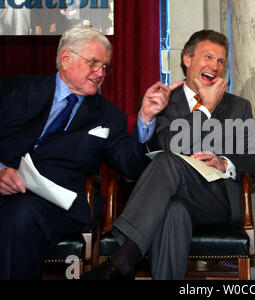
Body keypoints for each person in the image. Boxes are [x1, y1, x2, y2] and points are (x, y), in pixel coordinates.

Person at [0, 25, 181, 280]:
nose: (100, 73)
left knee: (20, 216)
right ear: (65, 58)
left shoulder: (109, 116)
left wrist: (145, 117)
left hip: (59, 204)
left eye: (105, 67)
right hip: (6, 192)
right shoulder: (14, 91)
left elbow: (129, 166)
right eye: (93, 63)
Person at [83, 29, 255, 280]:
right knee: (172, 210)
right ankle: (126, 259)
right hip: (171, 195)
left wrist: (224, 162)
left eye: (221, 61)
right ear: (188, 60)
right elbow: (173, 145)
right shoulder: (164, 102)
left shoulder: (238, 106)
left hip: (216, 199)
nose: (214, 65)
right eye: (208, 57)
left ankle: (123, 257)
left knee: (167, 162)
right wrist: (205, 110)